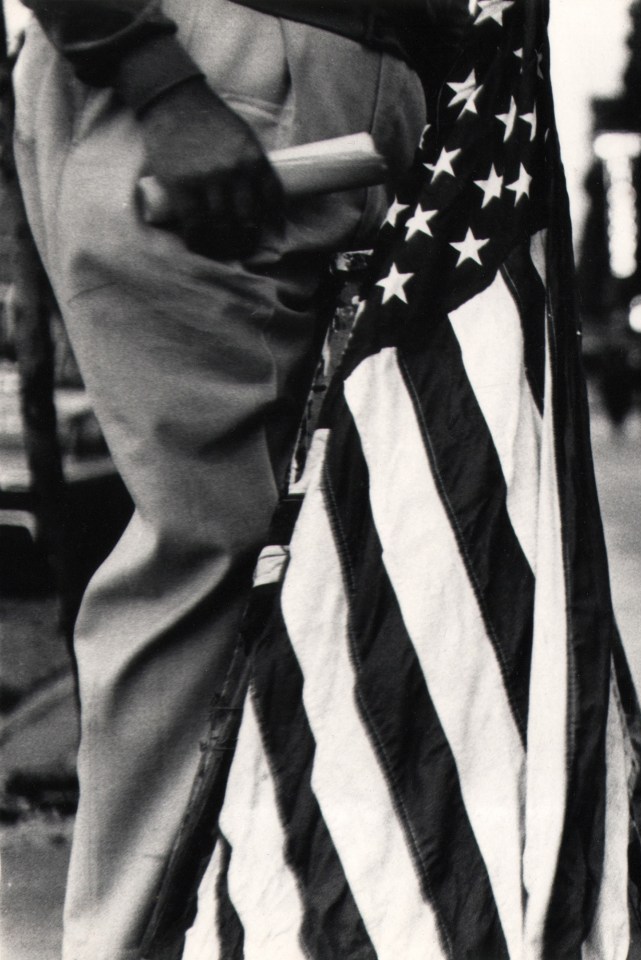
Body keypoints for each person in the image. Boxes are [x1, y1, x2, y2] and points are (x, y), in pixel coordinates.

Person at [12, 3, 426, 955]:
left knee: (381, 573)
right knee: (215, 561)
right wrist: (155, 77)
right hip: (216, 66)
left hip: (387, 98)